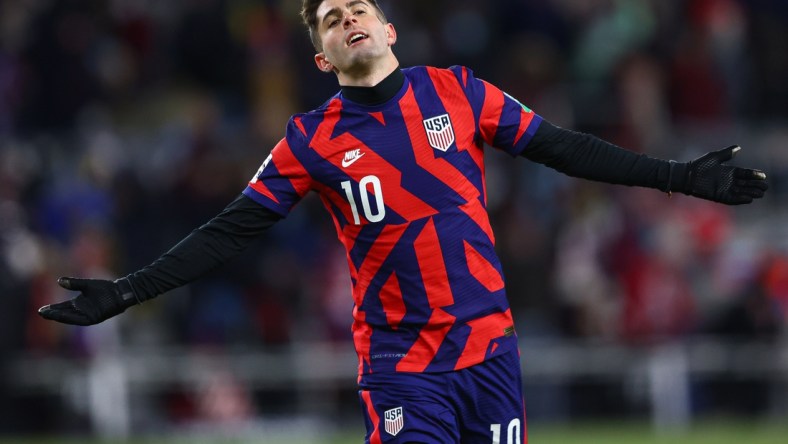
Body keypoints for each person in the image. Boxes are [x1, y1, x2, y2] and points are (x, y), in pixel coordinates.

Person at [39, 0, 769, 442]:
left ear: (388, 27)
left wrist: (679, 178)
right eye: (330, 19)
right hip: (402, 370)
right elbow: (229, 231)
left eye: (356, 8)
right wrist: (129, 290)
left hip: (490, 355)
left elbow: (564, 148)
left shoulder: (459, 92)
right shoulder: (310, 141)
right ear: (322, 57)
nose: (347, 18)